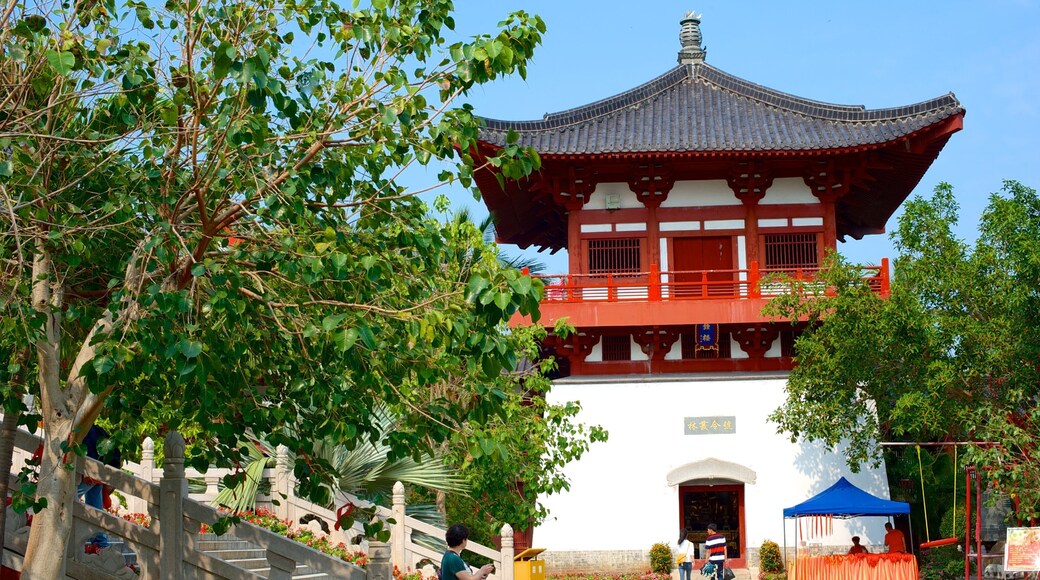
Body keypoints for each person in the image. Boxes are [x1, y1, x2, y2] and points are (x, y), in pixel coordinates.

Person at [77, 425, 121, 510]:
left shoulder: (87, 429)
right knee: (95, 505)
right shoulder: (92, 429)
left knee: (68, 497)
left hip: (94, 470)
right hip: (98, 469)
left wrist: (87, 471)